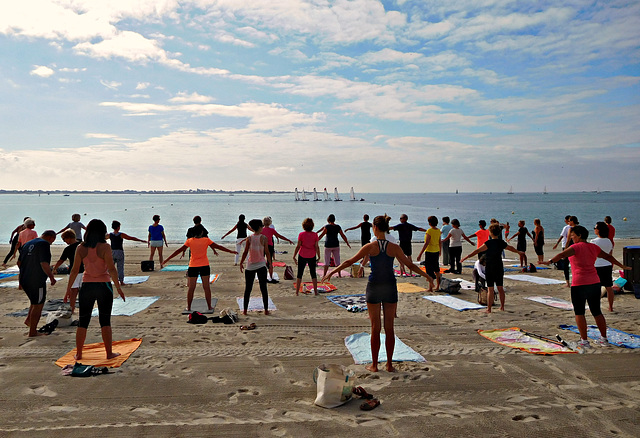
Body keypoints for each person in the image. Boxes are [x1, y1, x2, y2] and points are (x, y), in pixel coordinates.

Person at [322, 215, 433, 372]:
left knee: (375, 327)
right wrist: (427, 276)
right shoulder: (394, 247)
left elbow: (349, 262)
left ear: (374, 227)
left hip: (374, 287)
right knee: (389, 328)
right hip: (389, 287)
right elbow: (410, 265)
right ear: (387, 228)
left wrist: (332, 272)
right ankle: (389, 365)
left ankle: (374, 365)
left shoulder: (370, 246)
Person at [542, 225, 630, 348]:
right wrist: (622, 266)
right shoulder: (594, 247)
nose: (572, 238)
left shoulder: (575, 247)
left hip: (579, 284)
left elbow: (562, 255)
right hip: (594, 283)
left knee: (579, 313)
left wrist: (550, 261)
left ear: (579, 236)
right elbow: (608, 257)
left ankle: (584, 341)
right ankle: (604, 339)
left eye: (573, 236)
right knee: (597, 312)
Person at [66, 219, 124, 360]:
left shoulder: (81, 247)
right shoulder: (105, 247)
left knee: (83, 320)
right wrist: (118, 287)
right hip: (103, 285)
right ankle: (108, 353)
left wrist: (68, 289)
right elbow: (111, 269)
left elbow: (74, 270)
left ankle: (79, 353)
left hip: (87, 286)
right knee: (105, 320)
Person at [163, 227, 236, 312]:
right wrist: (231, 251)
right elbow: (218, 247)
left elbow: (178, 250)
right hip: (204, 266)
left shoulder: (189, 241)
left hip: (193, 266)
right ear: (201, 232)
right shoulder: (206, 240)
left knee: (191, 288)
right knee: (206, 287)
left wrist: (167, 259)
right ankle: (209, 307)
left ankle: (189, 307)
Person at [461, 224, 524, 313]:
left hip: (490, 267)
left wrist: (466, 257)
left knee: (490, 289)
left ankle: (489, 309)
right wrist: (519, 252)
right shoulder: (501, 242)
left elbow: (477, 251)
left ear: (490, 233)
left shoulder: (488, 243)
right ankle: (502, 307)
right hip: (498, 266)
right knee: (500, 288)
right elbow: (511, 248)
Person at [17, 230, 57, 337]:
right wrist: (51, 277)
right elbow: (44, 263)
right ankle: (33, 332)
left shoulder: (27, 244)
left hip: (25, 278)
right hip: (36, 279)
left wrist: (20, 279)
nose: (52, 243)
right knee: (39, 304)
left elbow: (19, 262)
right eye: (53, 240)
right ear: (50, 238)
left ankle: (29, 320)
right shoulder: (44, 244)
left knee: (34, 301)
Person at [239, 219, 273, 315]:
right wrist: (269, 263)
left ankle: (245, 311)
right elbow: (267, 252)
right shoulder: (264, 238)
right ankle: (266, 310)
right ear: (259, 227)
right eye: (262, 226)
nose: (263, 228)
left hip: (251, 265)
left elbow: (246, 252)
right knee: (263, 288)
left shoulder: (249, 238)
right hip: (261, 264)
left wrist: (241, 262)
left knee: (248, 288)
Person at [107, 220, 146, 286]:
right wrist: (141, 240)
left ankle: (107, 279)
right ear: (118, 227)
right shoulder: (121, 235)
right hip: (119, 251)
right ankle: (121, 281)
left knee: (110, 267)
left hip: (112, 252)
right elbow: (131, 238)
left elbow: (102, 239)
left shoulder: (110, 235)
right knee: (120, 267)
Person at [53, 230, 83, 311]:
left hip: (74, 271)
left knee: (73, 291)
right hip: (84, 271)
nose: (64, 241)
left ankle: (72, 308)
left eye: (64, 239)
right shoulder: (82, 245)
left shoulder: (68, 249)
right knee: (82, 291)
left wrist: (55, 268)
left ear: (69, 238)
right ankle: (81, 308)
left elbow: (61, 260)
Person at [293, 218, 321, 295]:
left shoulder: (301, 234)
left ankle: (297, 292)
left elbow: (298, 246)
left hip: (302, 254)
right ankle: (315, 291)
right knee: (313, 273)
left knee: (300, 273)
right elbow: (316, 247)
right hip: (312, 255)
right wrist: (319, 255)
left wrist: (294, 255)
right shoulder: (315, 235)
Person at [591, 222, 615, 312]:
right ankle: (611, 307)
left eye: (595, 228)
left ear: (599, 230)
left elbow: (592, 255)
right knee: (609, 287)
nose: (594, 229)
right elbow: (610, 255)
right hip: (607, 265)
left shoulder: (594, 241)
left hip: (597, 265)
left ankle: (596, 307)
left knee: (596, 288)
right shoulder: (609, 241)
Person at [416, 216, 440, 291]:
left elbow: (426, 243)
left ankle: (430, 287)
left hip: (429, 251)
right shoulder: (438, 230)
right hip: (436, 251)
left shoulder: (429, 231)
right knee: (436, 269)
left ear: (429, 223)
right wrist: (440, 251)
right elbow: (440, 242)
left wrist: (420, 254)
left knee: (429, 269)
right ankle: (437, 286)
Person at [553, 215, 578, 287]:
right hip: (577, 247)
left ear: (572, 221)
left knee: (566, 265)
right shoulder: (579, 228)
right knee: (575, 264)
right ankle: (574, 281)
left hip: (570, 247)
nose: (568, 222)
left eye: (569, 221)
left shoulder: (570, 229)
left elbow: (568, 240)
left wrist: (565, 250)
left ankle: (568, 282)